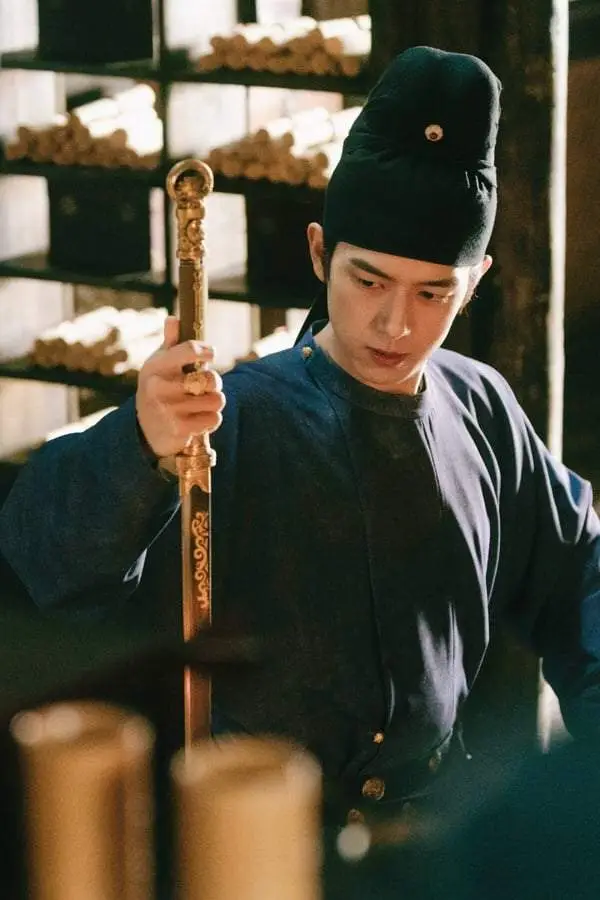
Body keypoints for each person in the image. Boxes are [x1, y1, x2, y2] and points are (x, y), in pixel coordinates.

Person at [1, 47, 599, 822]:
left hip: (431, 827)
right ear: (320, 252)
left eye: (433, 293)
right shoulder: (233, 416)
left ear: (475, 280)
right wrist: (139, 443)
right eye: (368, 280)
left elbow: (579, 573)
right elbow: (46, 565)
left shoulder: (481, 406)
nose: (396, 324)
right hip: (261, 824)